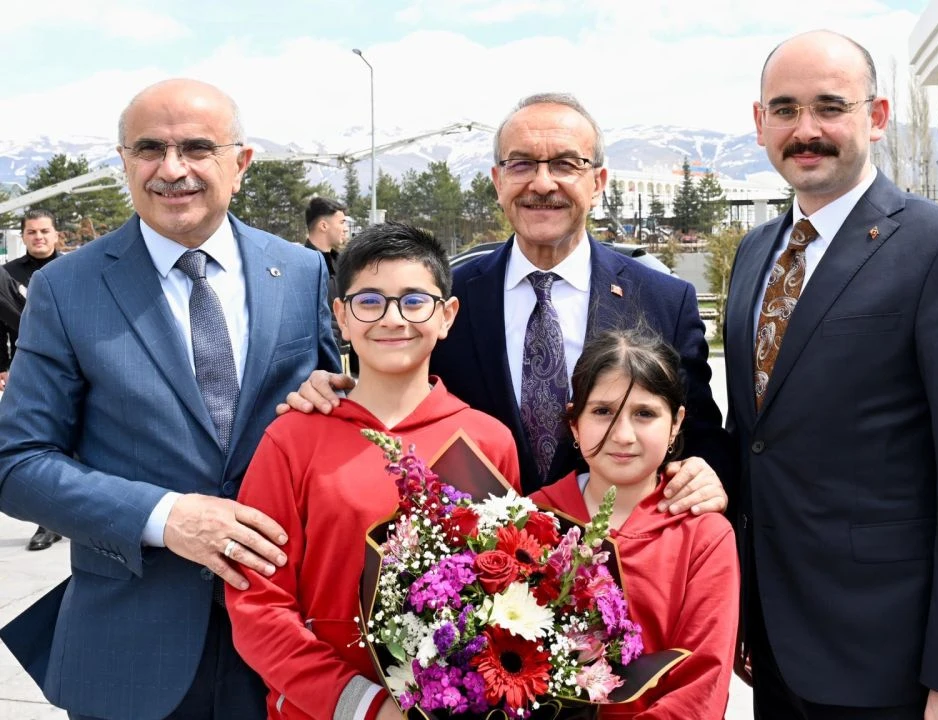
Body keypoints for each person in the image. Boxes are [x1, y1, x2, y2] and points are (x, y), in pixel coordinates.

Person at [0, 78, 341, 720]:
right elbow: (16, 464)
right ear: (124, 164)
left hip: (291, 644)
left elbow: (335, 420)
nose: (172, 169)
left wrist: (340, 398)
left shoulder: (300, 272)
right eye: (150, 149)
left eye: (196, 148)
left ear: (240, 163)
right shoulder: (67, 289)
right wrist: (166, 517)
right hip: (133, 649)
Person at [724, 30, 938, 719]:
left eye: (830, 107)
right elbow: (757, 440)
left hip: (893, 656)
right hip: (774, 645)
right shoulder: (753, 255)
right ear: (759, 122)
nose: (806, 131)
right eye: (785, 109)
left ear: (877, 117)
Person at [286, 92, 731, 510]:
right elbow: (391, 390)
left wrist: (709, 474)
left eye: (564, 164)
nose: (541, 183)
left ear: (598, 183)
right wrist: (334, 389)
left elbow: (699, 436)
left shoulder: (664, 302)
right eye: (521, 165)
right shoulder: (446, 301)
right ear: (498, 182)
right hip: (468, 574)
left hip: (618, 573)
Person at [227, 222, 519, 720]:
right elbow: (258, 606)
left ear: (447, 315)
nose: (392, 319)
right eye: (369, 302)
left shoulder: (488, 441)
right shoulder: (292, 440)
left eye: (414, 301)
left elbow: (508, 586)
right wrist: (364, 706)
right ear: (340, 316)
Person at [531, 328, 738, 720]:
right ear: (574, 422)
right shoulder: (529, 519)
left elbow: (701, 684)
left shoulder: (703, 536)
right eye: (602, 411)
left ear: (676, 423)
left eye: (644, 413)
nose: (623, 435)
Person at [3, 209, 68, 551]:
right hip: (30, 368)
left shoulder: (76, 268)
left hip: (77, 366)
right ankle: (48, 522)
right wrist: (2, 365)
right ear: (24, 237)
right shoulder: (7, 275)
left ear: (56, 234)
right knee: (40, 445)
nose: (38, 237)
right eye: (32, 232)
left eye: (44, 231)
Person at [304, 196, 357, 373]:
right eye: (341, 222)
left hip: (346, 358)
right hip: (316, 366)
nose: (345, 229)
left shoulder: (344, 264)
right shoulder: (299, 267)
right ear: (324, 226)